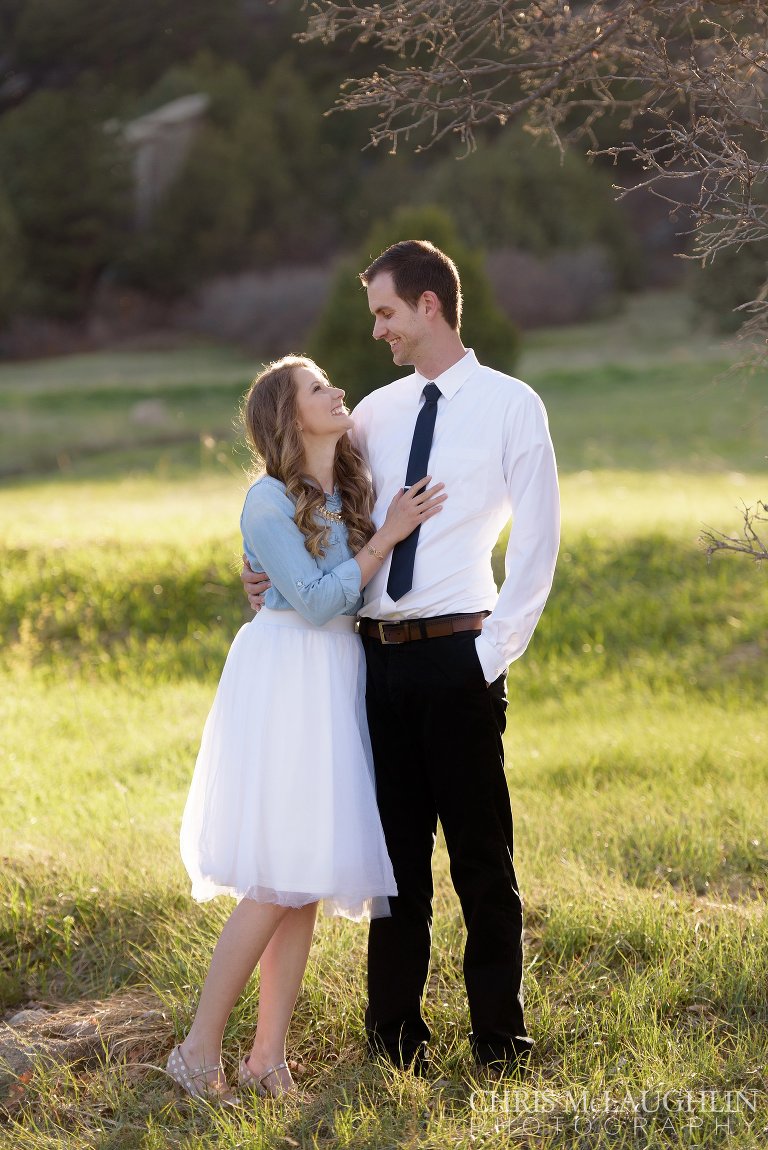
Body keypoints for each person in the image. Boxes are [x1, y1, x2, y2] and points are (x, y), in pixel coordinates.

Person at [243, 242, 560, 1076]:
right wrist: (271, 577)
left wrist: (491, 655)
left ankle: (499, 1040)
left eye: (385, 313)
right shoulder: (377, 413)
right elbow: (319, 511)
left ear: (428, 306)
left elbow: (538, 543)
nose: (377, 330)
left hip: (461, 656)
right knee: (395, 868)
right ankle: (393, 1044)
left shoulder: (510, 406)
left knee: (483, 862)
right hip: (374, 665)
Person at [168, 354, 446, 1104]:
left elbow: (325, 588)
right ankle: (196, 1051)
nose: (338, 392)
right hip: (288, 674)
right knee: (274, 878)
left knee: (303, 882)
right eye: (319, 388)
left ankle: (267, 1060)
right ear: (290, 418)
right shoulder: (266, 500)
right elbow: (322, 602)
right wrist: (385, 537)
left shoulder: (345, 485)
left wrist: (370, 532)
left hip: (332, 677)